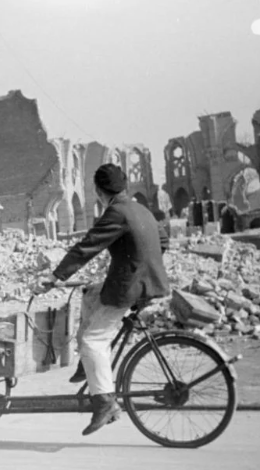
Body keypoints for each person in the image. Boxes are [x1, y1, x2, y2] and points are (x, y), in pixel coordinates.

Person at [34, 163, 170, 436]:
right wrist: (141, 266)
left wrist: (55, 277)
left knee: (92, 341)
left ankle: (105, 402)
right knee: (89, 294)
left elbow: (87, 247)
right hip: (148, 282)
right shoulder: (141, 209)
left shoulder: (116, 213)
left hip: (129, 287)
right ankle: (88, 366)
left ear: (98, 191)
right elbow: (164, 241)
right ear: (124, 186)